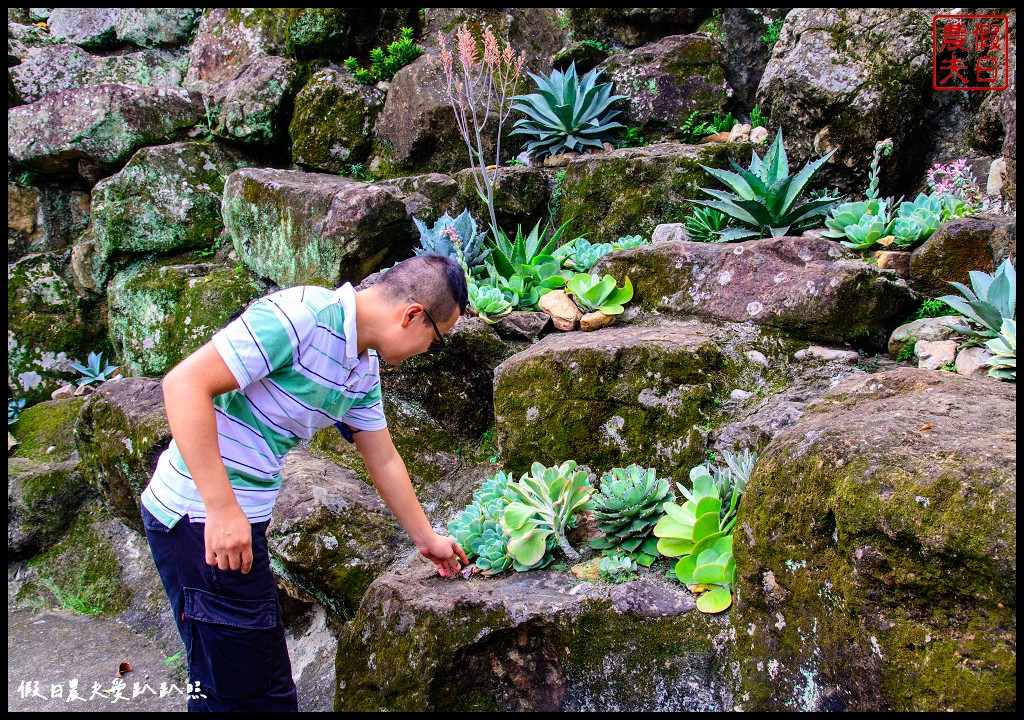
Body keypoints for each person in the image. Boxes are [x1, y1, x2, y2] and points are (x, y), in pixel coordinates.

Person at [140, 253, 470, 711]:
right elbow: (183, 384)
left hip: (238, 523)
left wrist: (426, 538)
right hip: (200, 520)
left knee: (236, 689)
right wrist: (221, 508)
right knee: (254, 697)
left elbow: (385, 459)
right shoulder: (301, 317)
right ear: (412, 315)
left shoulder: (360, 369)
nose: (429, 350)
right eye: (436, 338)